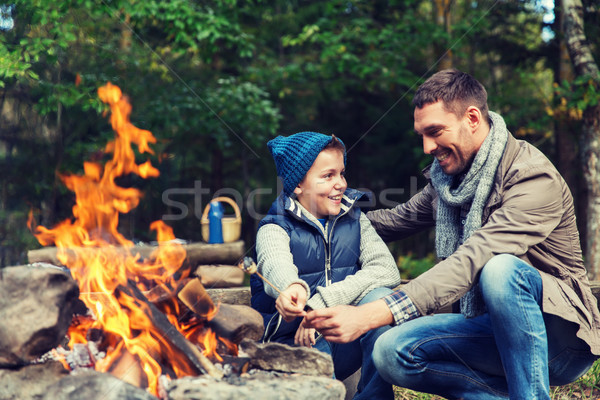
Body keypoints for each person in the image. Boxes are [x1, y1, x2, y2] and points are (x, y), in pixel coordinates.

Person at [304, 69, 600, 399]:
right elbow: (395, 220)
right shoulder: (449, 184)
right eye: (422, 135)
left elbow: (474, 259)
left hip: (560, 342)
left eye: (435, 132)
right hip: (489, 331)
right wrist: (313, 219)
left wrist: (370, 314)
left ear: (472, 118)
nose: (427, 146)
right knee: (390, 351)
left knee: (500, 270)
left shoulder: (531, 178)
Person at [250, 131, 402, 399]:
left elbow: (386, 270)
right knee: (311, 352)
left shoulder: (355, 219)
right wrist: (290, 288)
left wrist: (319, 305)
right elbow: (276, 264)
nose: (340, 184)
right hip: (295, 345)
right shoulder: (275, 227)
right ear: (298, 184)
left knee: (381, 298)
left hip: (345, 337)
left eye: (341, 174)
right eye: (328, 176)